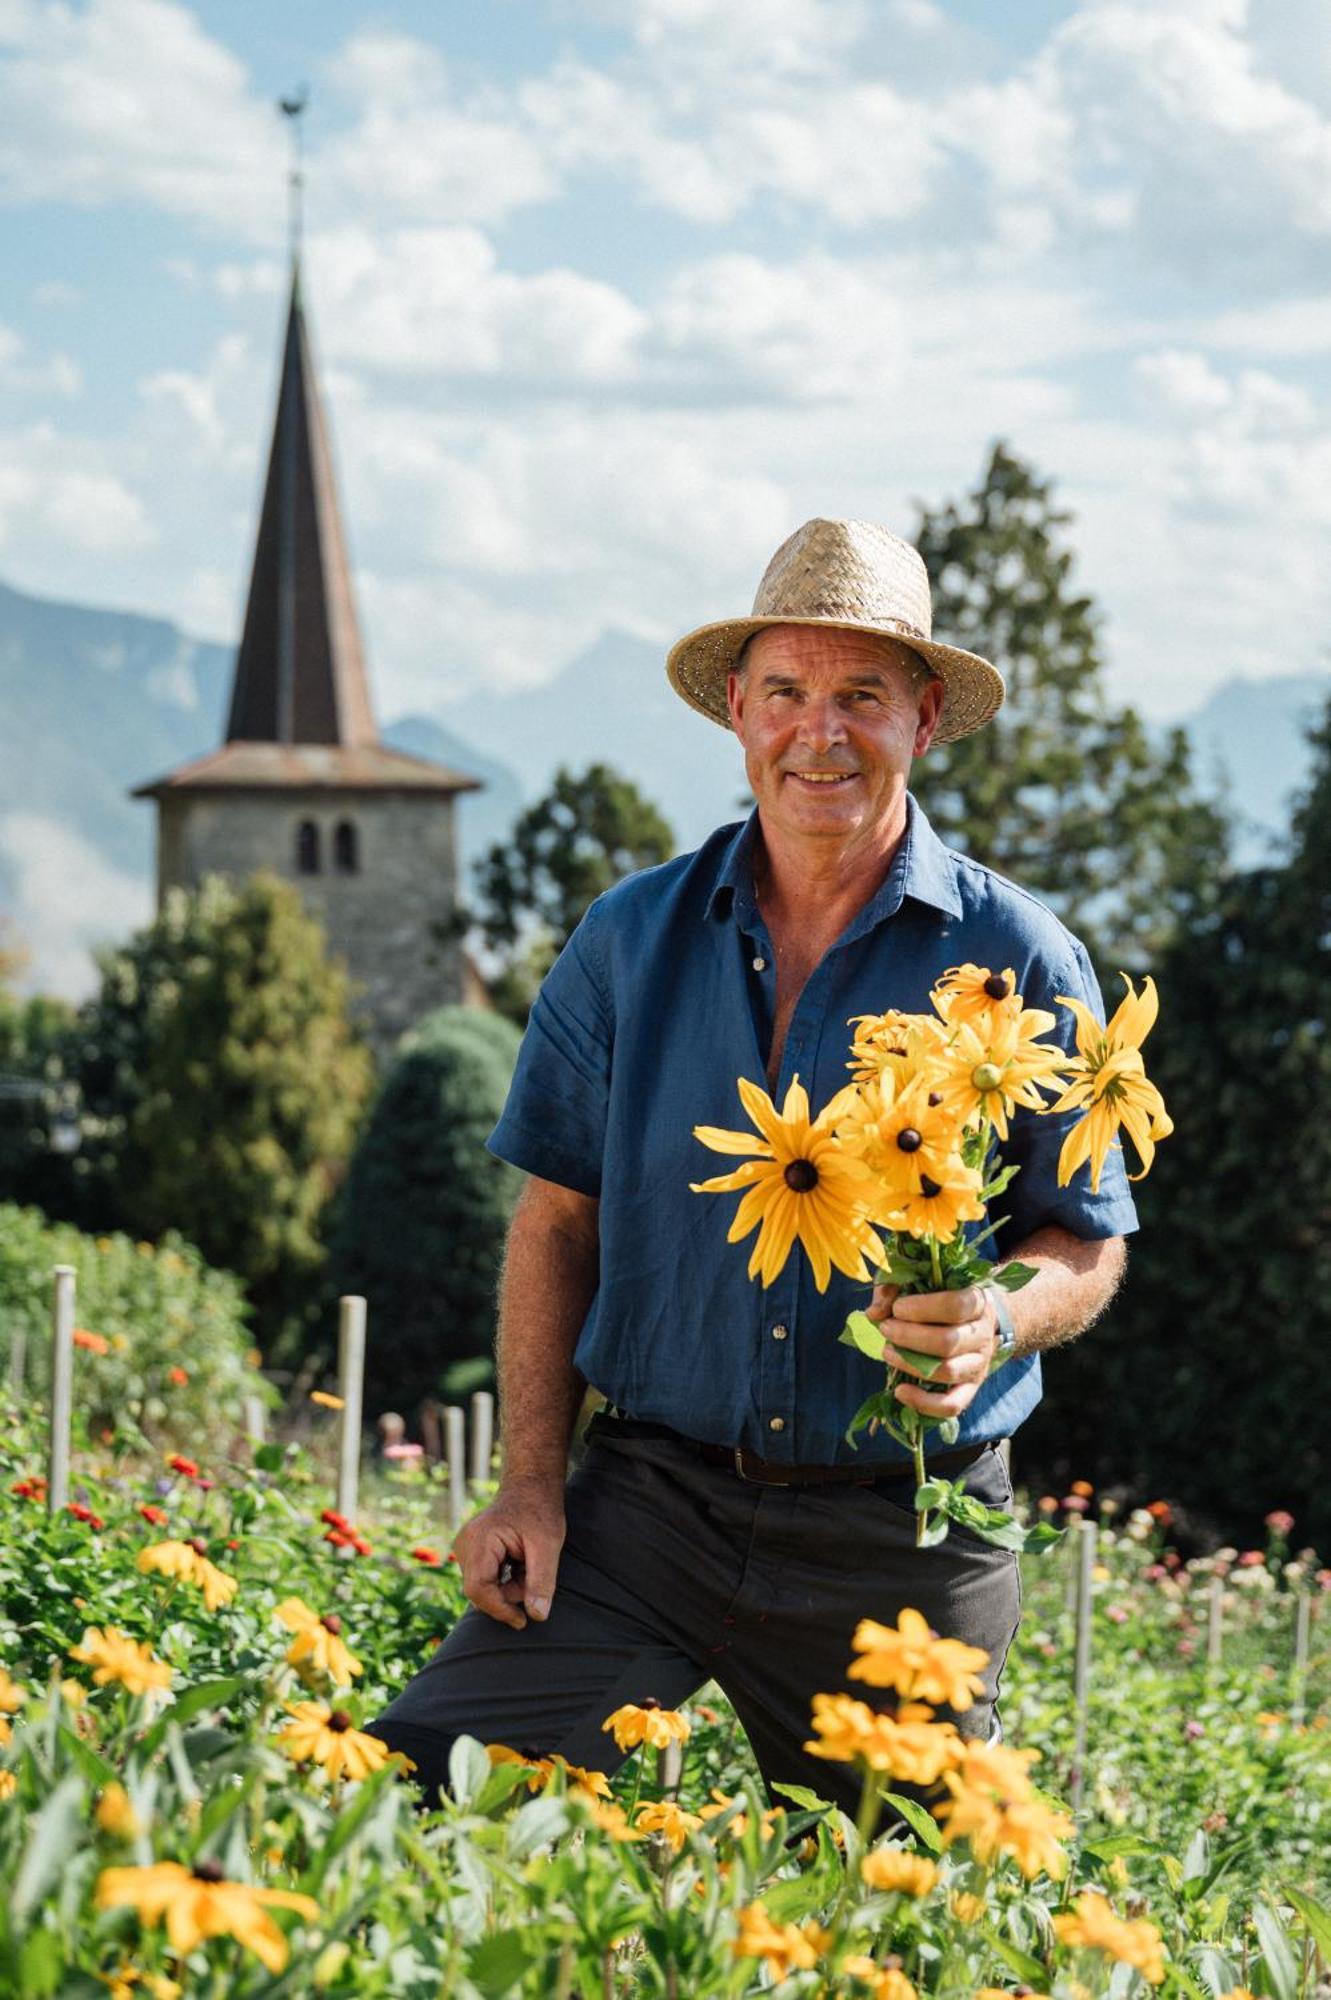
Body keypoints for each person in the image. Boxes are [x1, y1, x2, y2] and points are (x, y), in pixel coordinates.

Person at [368, 517, 1135, 1814]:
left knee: (897, 1925)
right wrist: (531, 1486)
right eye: (786, 692)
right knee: (412, 1799)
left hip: (903, 1537)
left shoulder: (1023, 958)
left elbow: (1087, 1237)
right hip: (646, 1509)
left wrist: (997, 1316)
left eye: (863, 697)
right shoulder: (629, 940)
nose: (818, 733)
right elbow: (556, 1224)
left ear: (927, 718)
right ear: (737, 709)